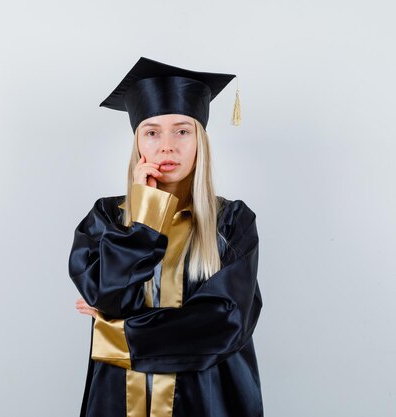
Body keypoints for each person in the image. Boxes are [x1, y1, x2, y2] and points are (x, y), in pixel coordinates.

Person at [68, 57, 264, 417]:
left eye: (182, 131)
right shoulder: (107, 217)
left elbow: (224, 323)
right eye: (152, 132)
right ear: (138, 142)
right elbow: (105, 293)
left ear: (200, 140)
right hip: (118, 398)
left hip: (208, 398)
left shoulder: (232, 222)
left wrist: (116, 333)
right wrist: (144, 219)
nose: (167, 146)